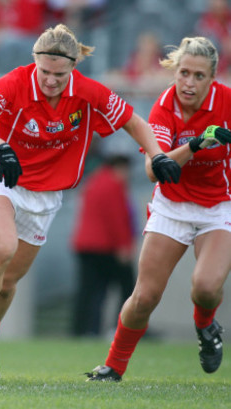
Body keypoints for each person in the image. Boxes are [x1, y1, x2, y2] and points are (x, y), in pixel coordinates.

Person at [0, 23, 181, 380]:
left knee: (8, 283)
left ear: (73, 67)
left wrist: (158, 154)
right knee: (2, 246)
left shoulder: (87, 92)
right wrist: (0, 146)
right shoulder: (14, 82)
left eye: (60, 73)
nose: (51, 80)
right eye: (44, 71)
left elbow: (133, 121)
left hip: (45, 195)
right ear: (34, 62)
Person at [87, 36, 231, 382]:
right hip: (172, 205)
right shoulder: (164, 106)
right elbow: (155, 169)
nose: (189, 83)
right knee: (145, 297)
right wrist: (196, 144)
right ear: (174, 73)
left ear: (212, 79)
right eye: (184, 73)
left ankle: (206, 327)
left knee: (206, 287)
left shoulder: (226, 102)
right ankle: (114, 367)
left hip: (218, 206)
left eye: (199, 76)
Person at [71, 154, 136, 337]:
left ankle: (83, 330)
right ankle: (125, 327)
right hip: (105, 246)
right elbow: (116, 217)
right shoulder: (114, 184)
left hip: (85, 245)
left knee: (89, 290)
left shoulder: (94, 181)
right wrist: (124, 245)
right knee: (128, 286)